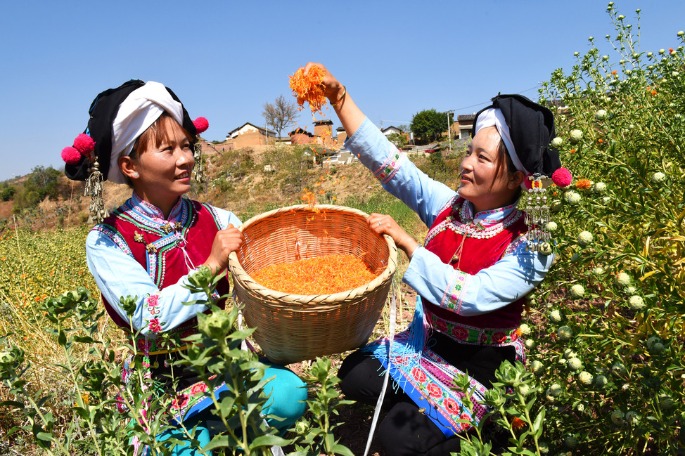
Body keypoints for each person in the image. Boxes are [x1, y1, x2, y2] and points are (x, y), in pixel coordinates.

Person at [303, 63, 571, 455]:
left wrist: (411, 246)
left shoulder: (531, 244)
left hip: (479, 365)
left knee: (396, 439)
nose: (466, 163)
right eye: (468, 151)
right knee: (354, 374)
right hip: (428, 344)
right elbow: (395, 167)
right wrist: (340, 98)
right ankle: (427, 411)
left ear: (515, 178)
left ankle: (485, 426)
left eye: (482, 158)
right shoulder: (450, 208)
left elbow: (472, 296)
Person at [62, 80, 307, 455]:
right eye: (168, 149)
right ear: (129, 166)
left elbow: (256, 279)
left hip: (225, 361)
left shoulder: (218, 218)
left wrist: (289, 258)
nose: (185, 158)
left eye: (187, 146)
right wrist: (211, 266)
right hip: (164, 378)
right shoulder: (108, 240)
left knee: (291, 396)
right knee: (185, 449)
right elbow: (146, 315)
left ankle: (227, 428)